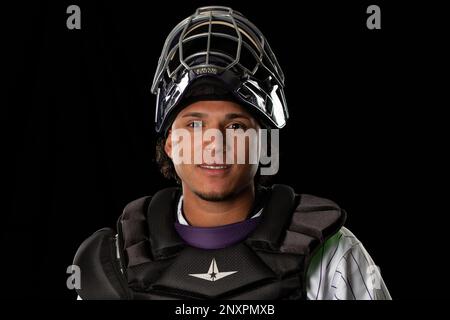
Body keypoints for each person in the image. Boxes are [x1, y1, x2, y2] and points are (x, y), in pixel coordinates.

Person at [73, 6, 391, 300]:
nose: (215, 143)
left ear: (263, 141)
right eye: (195, 125)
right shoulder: (118, 260)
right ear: (170, 142)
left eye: (236, 126)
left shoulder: (331, 255)